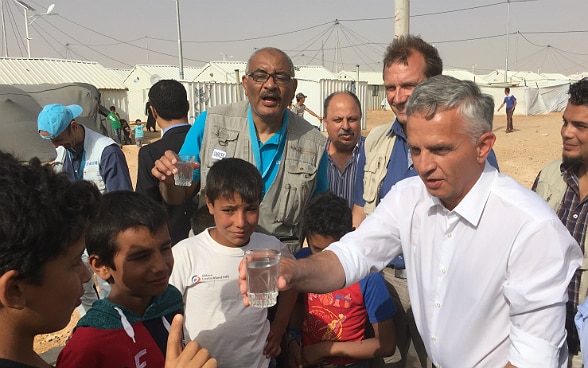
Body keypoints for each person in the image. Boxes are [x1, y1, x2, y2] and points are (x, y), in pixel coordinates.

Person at [240, 75, 583, 367]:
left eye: (440, 150)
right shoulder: (409, 197)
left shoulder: (530, 229)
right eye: (416, 150)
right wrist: (295, 271)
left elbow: (534, 357)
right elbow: (354, 254)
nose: (424, 165)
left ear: (484, 146)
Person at [351, 35, 500, 368]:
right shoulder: (375, 142)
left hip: (439, 284)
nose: (398, 97)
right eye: (390, 87)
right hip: (384, 282)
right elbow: (360, 213)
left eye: (409, 86)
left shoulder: (467, 146)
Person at [0, 153, 215, 368]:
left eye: (165, 248)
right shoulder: (86, 347)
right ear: (14, 291)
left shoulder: (169, 302)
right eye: (75, 262)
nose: (86, 276)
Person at [152, 47, 328, 254]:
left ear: (293, 87)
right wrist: (169, 182)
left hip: (276, 268)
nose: (270, 85)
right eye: (260, 76)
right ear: (245, 84)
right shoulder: (208, 124)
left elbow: (318, 216)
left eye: (280, 78)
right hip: (212, 263)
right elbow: (179, 191)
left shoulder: (314, 144)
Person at [170, 158, 296, 368]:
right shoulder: (186, 253)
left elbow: (293, 284)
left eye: (250, 209)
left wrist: (280, 325)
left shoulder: (271, 249)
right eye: (229, 210)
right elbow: (166, 313)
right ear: (210, 204)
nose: (241, 222)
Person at [57, 191, 182, 367]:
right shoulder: (88, 344)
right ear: (101, 266)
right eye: (141, 257)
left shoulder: (171, 300)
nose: (160, 266)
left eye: (165, 248)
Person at [38, 103, 133, 316]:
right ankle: (92, 324)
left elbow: (121, 200)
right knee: (80, 290)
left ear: (73, 126)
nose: (55, 146)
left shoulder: (107, 152)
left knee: (110, 287)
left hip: (103, 235)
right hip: (75, 236)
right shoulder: (63, 151)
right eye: (51, 141)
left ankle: (114, 326)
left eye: (58, 139)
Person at [288, 192, 396, 368]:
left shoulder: (368, 275)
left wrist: (325, 350)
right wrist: (293, 338)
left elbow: (386, 344)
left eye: (333, 249)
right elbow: (299, 305)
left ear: (350, 236)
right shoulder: (302, 262)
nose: (324, 259)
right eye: (317, 249)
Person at [533, 78, 588, 368]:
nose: (567, 132)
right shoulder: (550, 176)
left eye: (581, 126)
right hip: (545, 341)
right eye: (565, 122)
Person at [136, 79, 194, 245]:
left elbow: (144, 206)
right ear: (188, 106)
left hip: (171, 243)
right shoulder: (207, 142)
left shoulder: (150, 153)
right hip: (209, 238)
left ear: (153, 112)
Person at [323, 91, 364, 209]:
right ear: (325, 122)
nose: (346, 126)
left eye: (352, 119)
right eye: (338, 120)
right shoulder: (315, 157)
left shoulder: (375, 155)